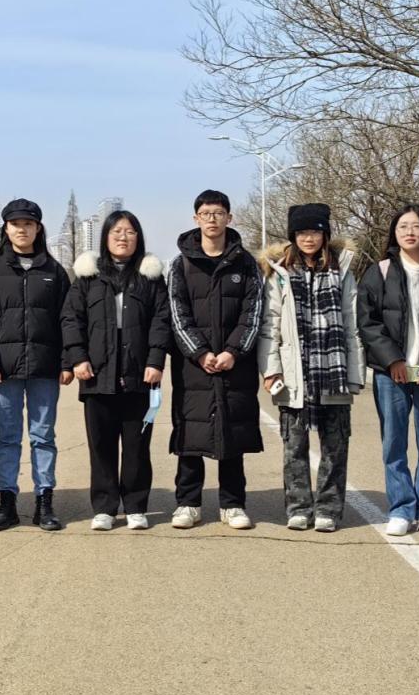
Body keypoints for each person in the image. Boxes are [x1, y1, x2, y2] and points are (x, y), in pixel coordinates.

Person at [256, 204, 365, 533]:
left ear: (325, 234)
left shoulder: (342, 271)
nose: (308, 238)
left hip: (333, 369)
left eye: (315, 232)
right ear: (293, 236)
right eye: (302, 232)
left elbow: (352, 325)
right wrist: (271, 370)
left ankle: (329, 508)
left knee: (335, 445)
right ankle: (299, 507)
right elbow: (270, 326)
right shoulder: (279, 273)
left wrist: (355, 373)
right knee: (294, 445)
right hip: (294, 371)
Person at [61, 211, 171, 530]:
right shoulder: (88, 277)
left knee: (137, 446)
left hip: (139, 376)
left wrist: (155, 361)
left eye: (130, 231)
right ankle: (105, 508)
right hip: (96, 374)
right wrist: (78, 358)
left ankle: (136, 506)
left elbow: (161, 320)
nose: (123, 237)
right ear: (105, 237)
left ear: (139, 238)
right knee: (101, 446)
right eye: (117, 231)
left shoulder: (150, 277)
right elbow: (71, 319)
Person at [357, 204, 419, 537]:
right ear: (394, 233)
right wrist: (393, 360)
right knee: (394, 443)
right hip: (392, 374)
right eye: (403, 226)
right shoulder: (379, 272)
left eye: (416, 226)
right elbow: (368, 322)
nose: (409, 232)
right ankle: (401, 508)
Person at [0, 198, 71, 532]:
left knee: (43, 436)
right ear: (7, 228)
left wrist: (67, 361)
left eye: (28, 224)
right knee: (7, 436)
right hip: (5, 369)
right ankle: (7, 502)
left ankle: (45, 501)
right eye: (15, 224)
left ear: (38, 228)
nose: (22, 229)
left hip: (45, 368)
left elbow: (68, 320)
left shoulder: (54, 272)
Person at [167, 190, 263, 530]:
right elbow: (177, 314)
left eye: (218, 213)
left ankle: (232, 504)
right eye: (205, 213)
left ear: (229, 218)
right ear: (196, 218)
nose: (212, 219)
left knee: (232, 433)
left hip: (235, 364)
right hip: (193, 366)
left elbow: (253, 314)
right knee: (190, 433)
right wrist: (200, 352)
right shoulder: (180, 264)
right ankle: (188, 503)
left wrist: (232, 352)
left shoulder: (247, 263)